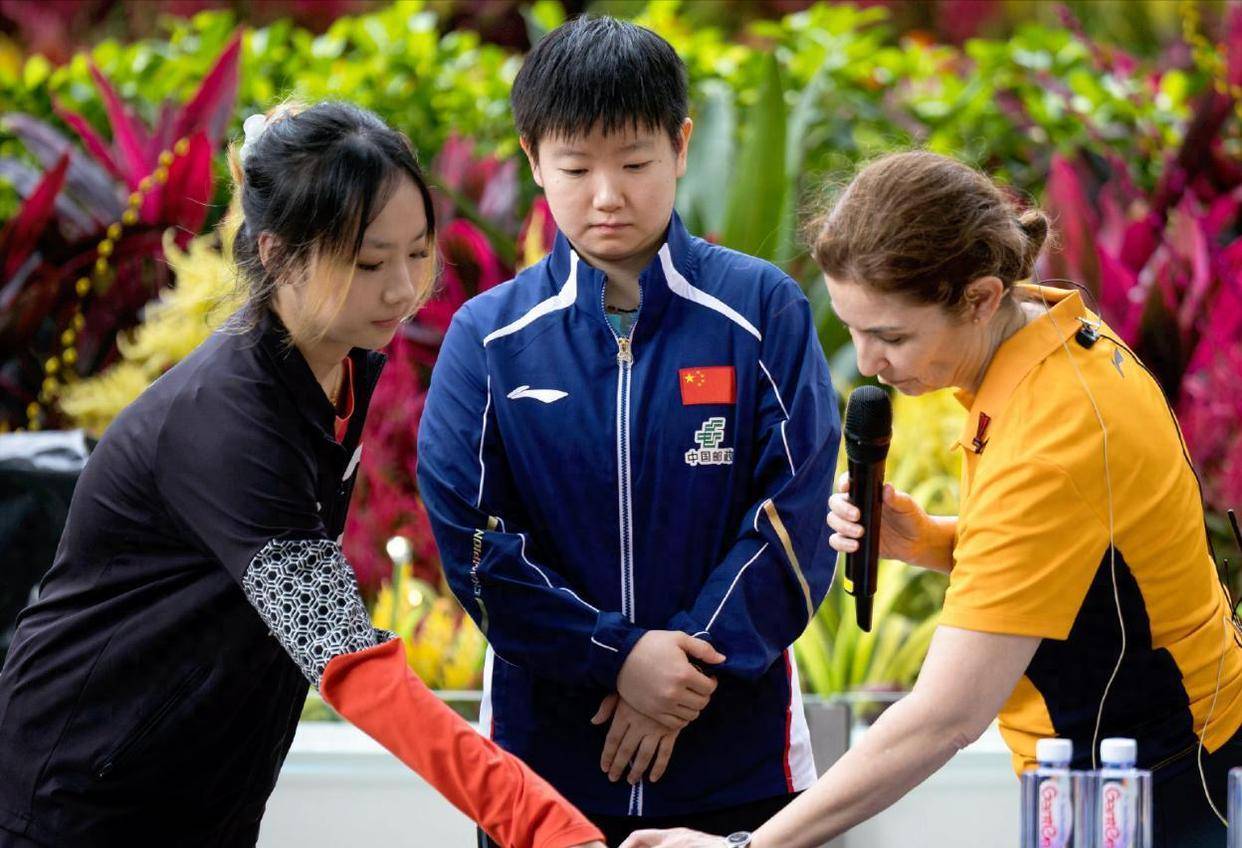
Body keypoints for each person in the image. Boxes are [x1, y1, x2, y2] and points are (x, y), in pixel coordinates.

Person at [0, 101, 604, 848]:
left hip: (196, 798)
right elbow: (345, 655)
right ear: (278, 255)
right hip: (77, 803)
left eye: (418, 253)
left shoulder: (334, 369)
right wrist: (547, 828)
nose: (402, 289)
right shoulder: (228, 422)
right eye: (368, 263)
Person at [621, 151, 1242, 848]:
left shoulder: (1050, 434)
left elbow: (945, 717)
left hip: (1160, 787)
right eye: (854, 329)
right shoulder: (1052, 336)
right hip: (1128, 767)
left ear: (980, 297)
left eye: (891, 336)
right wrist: (940, 542)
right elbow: (1092, 550)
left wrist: (749, 846)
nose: (867, 363)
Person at [416, 16, 841, 847]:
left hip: (739, 764)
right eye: (576, 168)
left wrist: (681, 669)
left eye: (636, 163)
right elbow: (472, 541)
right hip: (543, 770)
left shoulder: (763, 311)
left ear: (681, 146)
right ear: (534, 159)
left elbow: (798, 514)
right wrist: (617, 657)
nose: (607, 196)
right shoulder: (489, 338)